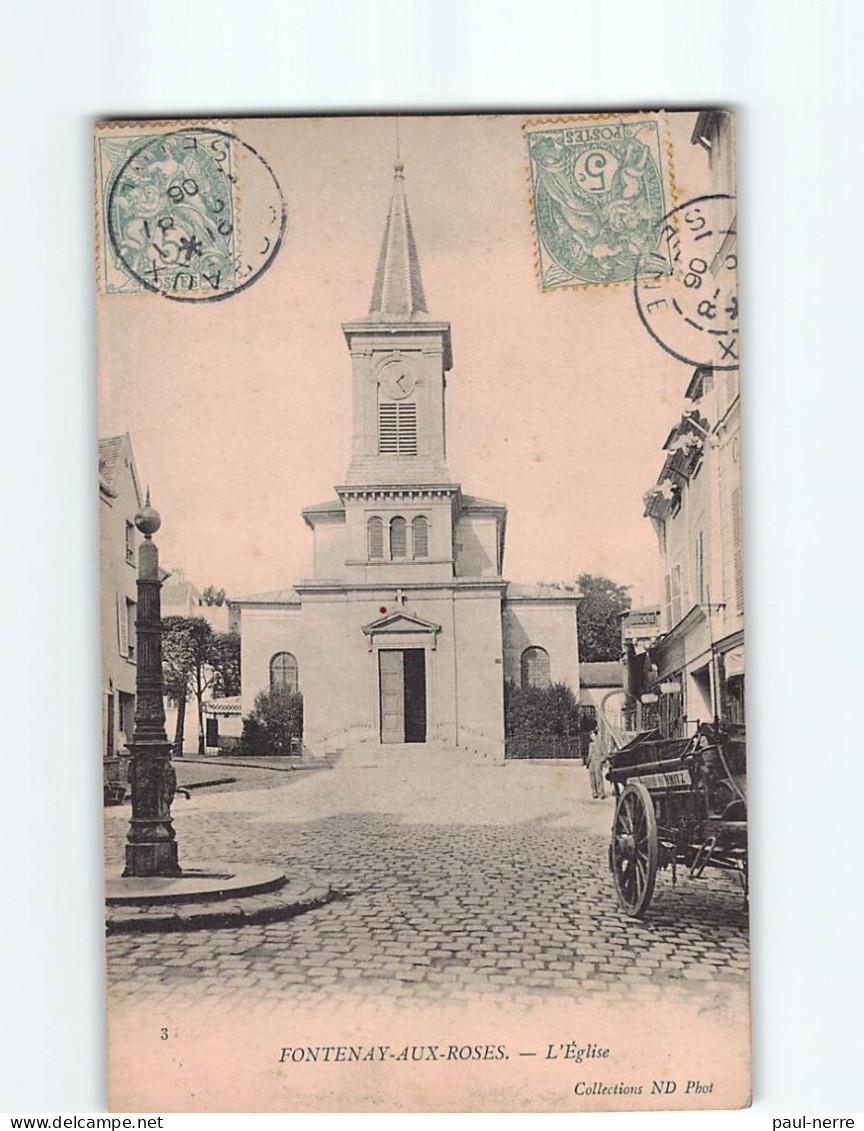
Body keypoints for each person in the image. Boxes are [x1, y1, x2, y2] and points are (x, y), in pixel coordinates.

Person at [587, 727, 610, 800]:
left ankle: (601, 793)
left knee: (598, 778)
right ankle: (594, 793)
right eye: (591, 736)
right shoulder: (590, 744)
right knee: (592, 778)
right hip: (591, 763)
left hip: (597, 762)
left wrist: (601, 760)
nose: (592, 737)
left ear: (596, 735)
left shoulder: (600, 743)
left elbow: (605, 754)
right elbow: (590, 754)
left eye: (593, 735)